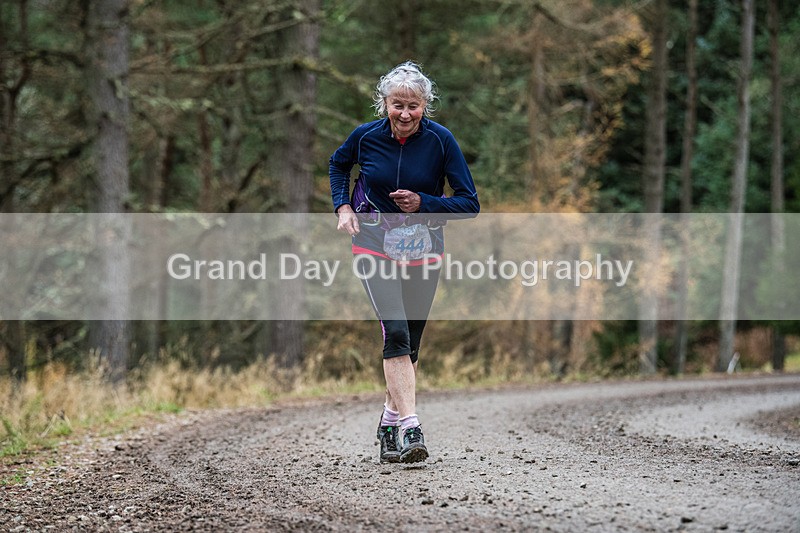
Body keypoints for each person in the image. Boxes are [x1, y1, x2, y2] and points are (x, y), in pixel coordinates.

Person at [329, 61, 479, 463]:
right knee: (394, 331)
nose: (406, 114)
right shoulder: (364, 137)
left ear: (425, 106)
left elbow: (469, 204)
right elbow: (338, 164)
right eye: (398, 105)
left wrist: (423, 203)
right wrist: (343, 206)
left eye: (414, 105)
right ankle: (411, 426)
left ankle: (389, 421)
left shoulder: (441, 142)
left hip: (423, 247)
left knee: (409, 343)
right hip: (373, 241)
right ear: (385, 104)